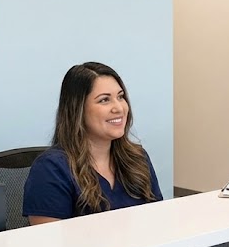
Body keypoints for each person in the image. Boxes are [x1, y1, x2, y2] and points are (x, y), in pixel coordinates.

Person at [23, 62, 163, 224]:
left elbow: (157, 224)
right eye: (104, 100)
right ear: (78, 109)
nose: (119, 108)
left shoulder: (137, 158)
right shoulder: (51, 169)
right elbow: (48, 244)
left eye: (120, 97)